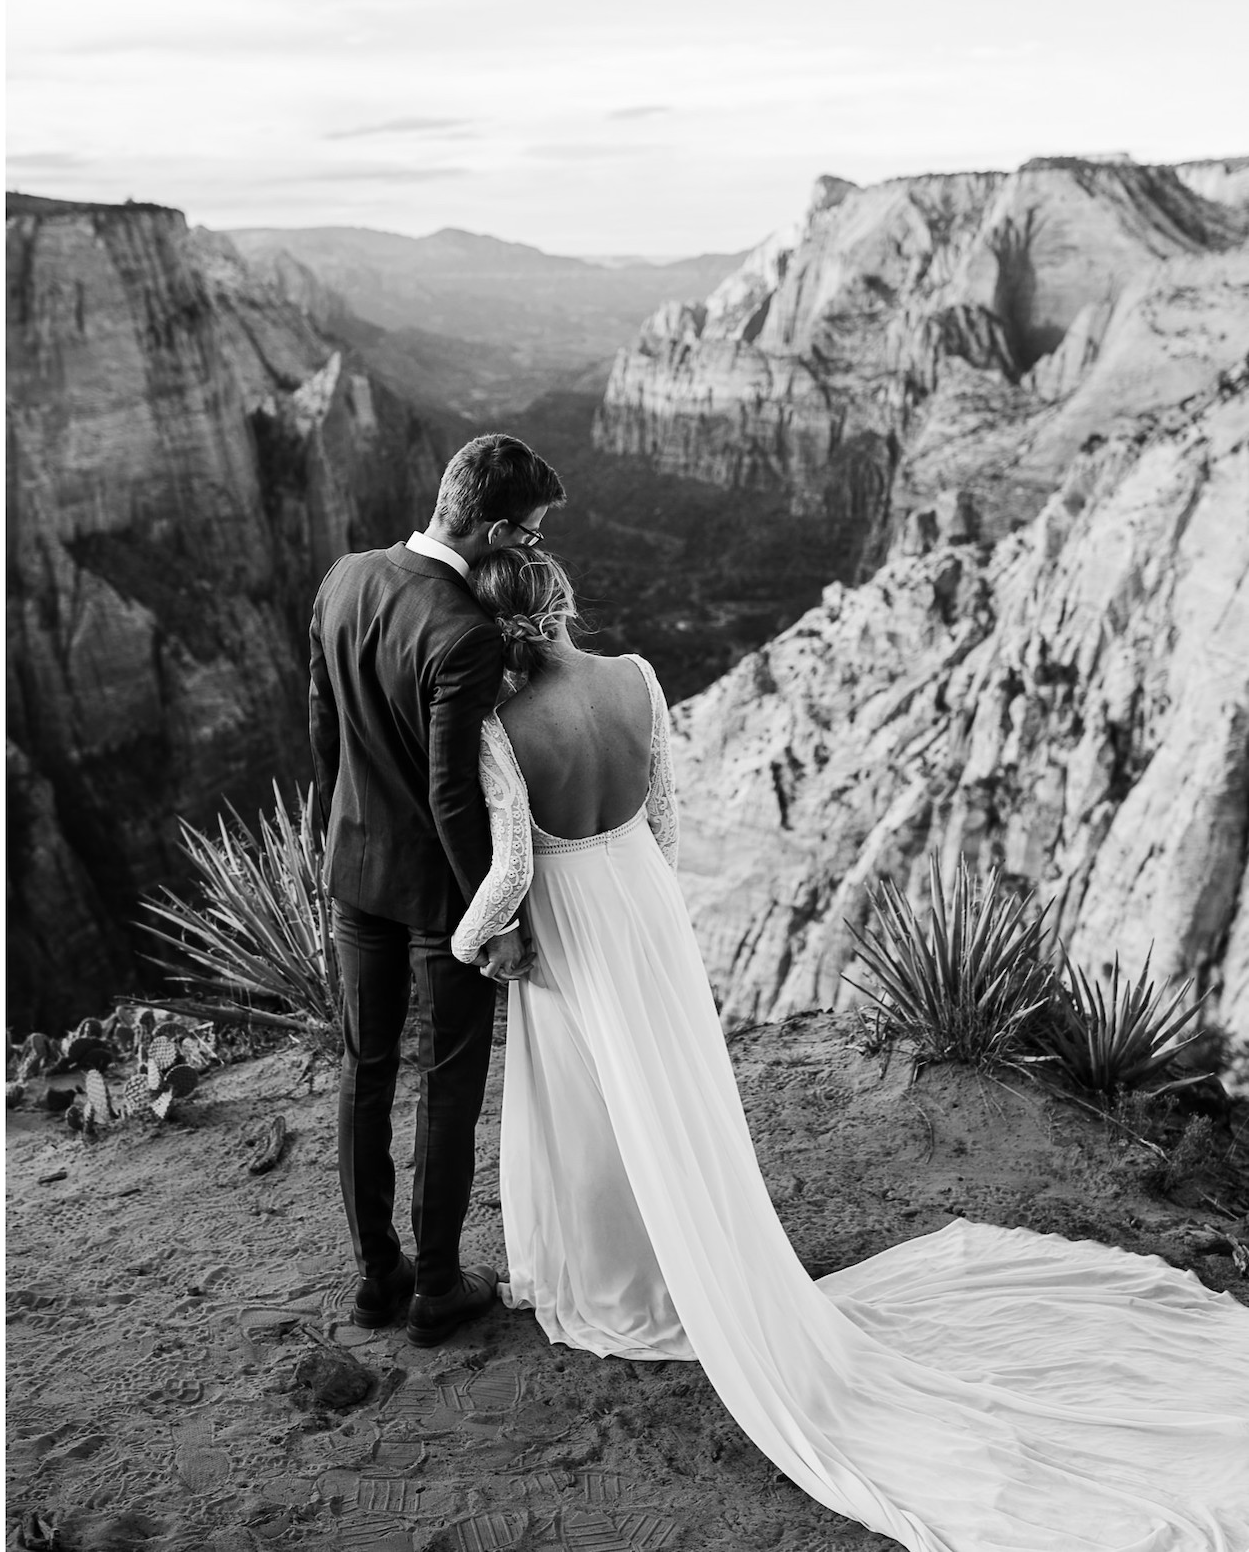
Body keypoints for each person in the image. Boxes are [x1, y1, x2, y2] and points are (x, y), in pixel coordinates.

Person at [456, 545, 1249, 1550]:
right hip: (642, 903)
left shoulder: (498, 726)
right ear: (562, 602)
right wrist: (635, 903)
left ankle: (618, 1276)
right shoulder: (638, 681)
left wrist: (469, 940)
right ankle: (691, 1250)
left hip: (572, 909)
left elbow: (512, 865)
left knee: (593, 1103)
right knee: (670, 1091)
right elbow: (662, 825)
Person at [307, 431, 563, 1343]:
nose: (532, 552)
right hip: (434, 898)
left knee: (363, 1071)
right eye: (529, 537)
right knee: (447, 1084)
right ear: (493, 529)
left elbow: (324, 734)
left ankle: (378, 1278)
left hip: (352, 875)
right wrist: (491, 916)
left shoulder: (343, 578)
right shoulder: (466, 632)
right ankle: (439, 1288)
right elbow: (455, 794)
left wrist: (328, 841)